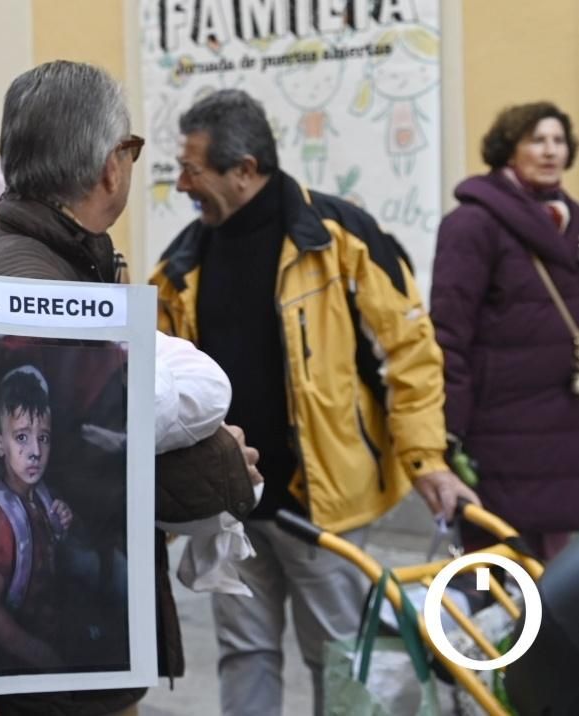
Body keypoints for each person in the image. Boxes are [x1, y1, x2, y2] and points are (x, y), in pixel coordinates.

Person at [149, 88, 480, 716]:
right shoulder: (180, 263)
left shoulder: (340, 237)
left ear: (244, 169)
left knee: (340, 657)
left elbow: (408, 352)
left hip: (325, 507)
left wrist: (427, 459)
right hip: (232, 507)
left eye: (192, 169)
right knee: (244, 653)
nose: (183, 183)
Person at [0, 59, 256, 716]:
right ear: (111, 166)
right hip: (57, 655)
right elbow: (74, 451)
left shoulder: (51, 261)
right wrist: (221, 459)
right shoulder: (35, 283)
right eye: (129, 147)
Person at [431, 101, 579, 560]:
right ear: (508, 149)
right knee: (502, 561)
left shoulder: (573, 222)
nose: (550, 151)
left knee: (559, 567)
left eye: (559, 141)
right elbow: (449, 336)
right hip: (500, 429)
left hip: (565, 422)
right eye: (536, 140)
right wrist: (448, 432)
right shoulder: (473, 224)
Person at [0, 366, 73, 671]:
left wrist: (61, 523)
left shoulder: (40, 495)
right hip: (19, 658)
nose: (35, 452)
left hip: (49, 629)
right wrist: (41, 656)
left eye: (43, 438)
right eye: (21, 437)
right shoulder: (1, 522)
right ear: (0, 445)